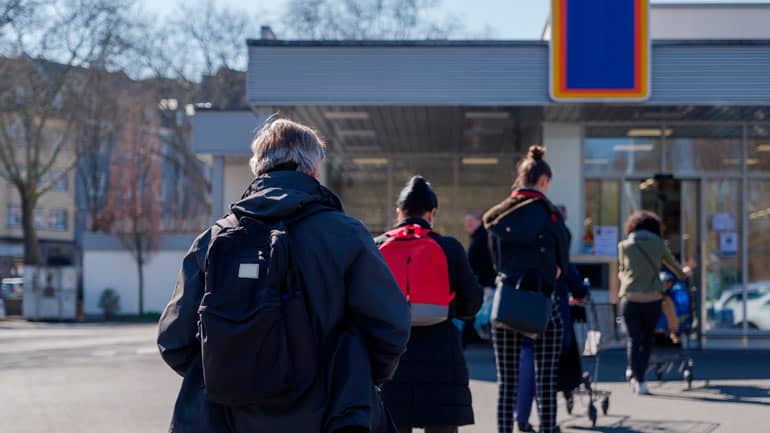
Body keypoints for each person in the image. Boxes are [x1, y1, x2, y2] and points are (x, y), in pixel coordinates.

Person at [157, 118, 411, 433]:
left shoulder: (213, 240)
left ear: (258, 169)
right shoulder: (346, 235)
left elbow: (173, 340)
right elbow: (390, 326)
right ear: (313, 171)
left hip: (230, 418)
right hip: (331, 416)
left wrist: (230, 371)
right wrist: (357, 376)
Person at [378, 176, 483, 433]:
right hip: (442, 357)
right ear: (432, 213)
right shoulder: (449, 247)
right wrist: (446, 308)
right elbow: (473, 302)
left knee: (392, 424)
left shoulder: (377, 246)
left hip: (392, 357)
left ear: (399, 212)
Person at [483, 145, 570, 433]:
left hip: (507, 301)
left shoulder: (499, 216)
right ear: (544, 181)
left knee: (507, 382)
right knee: (546, 381)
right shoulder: (552, 216)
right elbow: (562, 267)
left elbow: (495, 262)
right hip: (544, 305)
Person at [514, 205, 587, 433]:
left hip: (525, 316)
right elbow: (576, 285)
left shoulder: (525, 249)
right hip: (552, 320)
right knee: (546, 372)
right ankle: (548, 422)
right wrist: (580, 292)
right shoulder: (560, 255)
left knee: (526, 367)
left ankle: (522, 417)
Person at [618, 210, 687, 396]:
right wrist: (684, 272)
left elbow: (622, 271)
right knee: (647, 339)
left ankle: (634, 374)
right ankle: (641, 380)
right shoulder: (658, 245)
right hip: (653, 299)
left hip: (630, 299)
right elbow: (675, 268)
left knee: (633, 339)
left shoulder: (624, 246)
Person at [463, 210, 497, 345]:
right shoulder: (480, 237)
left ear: (479, 221)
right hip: (482, 284)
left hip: (484, 285)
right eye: (467, 222)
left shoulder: (482, 238)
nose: (468, 225)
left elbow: (485, 264)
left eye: (471, 221)